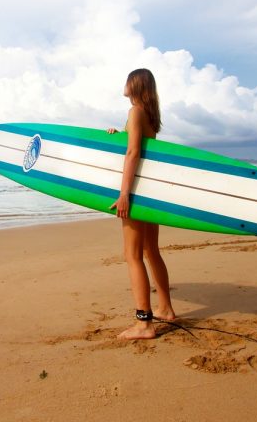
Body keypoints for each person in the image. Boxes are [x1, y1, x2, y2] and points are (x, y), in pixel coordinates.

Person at [107, 68, 176, 340]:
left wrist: (124, 194)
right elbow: (136, 145)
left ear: (134, 84)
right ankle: (166, 309)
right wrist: (117, 135)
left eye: (127, 80)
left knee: (132, 255)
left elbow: (133, 152)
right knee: (151, 251)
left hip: (135, 191)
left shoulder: (135, 112)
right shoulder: (148, 115)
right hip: (150, 192)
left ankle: (144, 323)